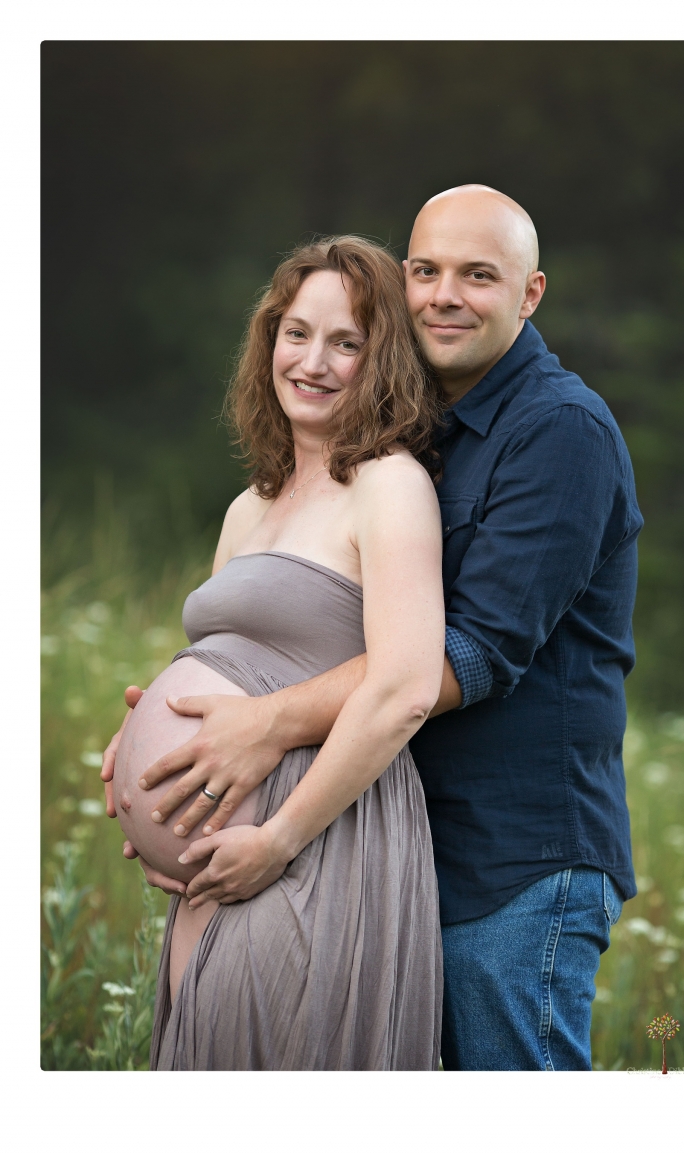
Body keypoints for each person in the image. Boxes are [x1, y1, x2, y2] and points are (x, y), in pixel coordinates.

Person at [104, 185, 643, 1071]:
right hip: (395, 835)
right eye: (426, 271)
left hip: (512, 858)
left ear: (531, 293)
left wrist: (260, 725)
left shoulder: (559, 431)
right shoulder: (416, 432)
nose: (445, 296)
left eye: (478, 276)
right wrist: (160, 746)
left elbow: (465, 657)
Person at [107, 235, 449, 1070]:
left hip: (312, 842)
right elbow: (233, 658)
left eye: (346, 343)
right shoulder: (249, 506)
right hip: (218, 860)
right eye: (296, 333)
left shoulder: (389, 484)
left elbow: (405, 684)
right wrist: (145, 741)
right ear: (269, 341)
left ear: (382, 361)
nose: (313, 362)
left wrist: (279, 840)